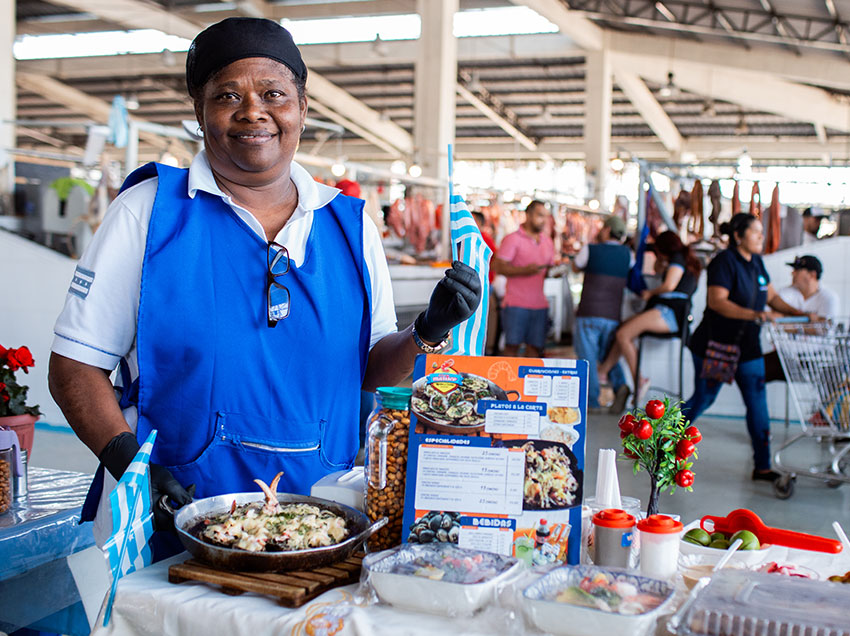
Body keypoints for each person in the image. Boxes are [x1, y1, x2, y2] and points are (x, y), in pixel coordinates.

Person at [47, 18, 481, 556]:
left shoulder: (350, 225)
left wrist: (427, 331)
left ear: (302, 106)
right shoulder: (148, 215)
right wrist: (132, 468)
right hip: (175, 522)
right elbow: (74, 367)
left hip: (323, 524)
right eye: (228, 95)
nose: (253, 111)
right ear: (199, 112)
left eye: (273, 93)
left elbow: (369, 369)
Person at [682, 213, 810, 482]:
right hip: (715, 345)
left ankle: (762, 466)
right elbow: (717, 301)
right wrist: (756, 315)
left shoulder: (757, 263)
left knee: (757, 403)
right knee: (704, 398)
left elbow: (772, 297)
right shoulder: (724, 262)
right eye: (756, 232)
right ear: (738, 236)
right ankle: (661, 440)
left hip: (748, 348)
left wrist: (801, 314)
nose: (761, 237)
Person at [597, 230, 701, 407]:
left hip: (669, 312)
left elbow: (669, 285)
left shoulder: (677, 259)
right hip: (670, 312)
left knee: (623, 334)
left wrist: (650, 293)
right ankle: (604, 371)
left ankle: (639, 380)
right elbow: (658, 270)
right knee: (623, 331)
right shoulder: (680, 259)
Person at [571, 215, 632, 412]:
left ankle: (592, 402)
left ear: (606, 230)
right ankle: (620, 385)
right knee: (609, 354)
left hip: (589, 311)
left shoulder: (591, 249)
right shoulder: (628, 254)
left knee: (587, 357)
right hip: (612, 314)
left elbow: (575, 266)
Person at [492, 200, 554, 357]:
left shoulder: (548, 241)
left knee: (535, 348)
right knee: (512, 347)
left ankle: (529, 382)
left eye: (545, 216)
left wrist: (554, 272)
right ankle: (506, 382)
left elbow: (548, 271)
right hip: (515, 304)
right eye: (540, 215)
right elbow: (497, 267)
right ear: (528, 215)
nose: (543, 220)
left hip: (540, 304)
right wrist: (523, 270)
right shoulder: (512, 239)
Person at [778, 255, 839, 319]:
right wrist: (810, 319)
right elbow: (772, 317)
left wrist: (786, 317)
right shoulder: (784, 292)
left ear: (812, 275)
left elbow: (826, 326)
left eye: (797, 270)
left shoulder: (829, 297)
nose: (792, 273)